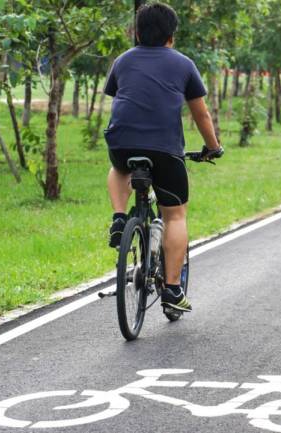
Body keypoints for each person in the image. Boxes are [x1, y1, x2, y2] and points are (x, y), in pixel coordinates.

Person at [104, 2, 223, 314]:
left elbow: (121, 98)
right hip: (164, 148)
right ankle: (172, 288)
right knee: (175, 215)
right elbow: (201, 114)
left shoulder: (123, 60)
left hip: (122, 142)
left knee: (118, 168)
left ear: (137, 32)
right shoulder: (183, 64)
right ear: (172, 35)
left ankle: (119, 217)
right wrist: (213, 147)